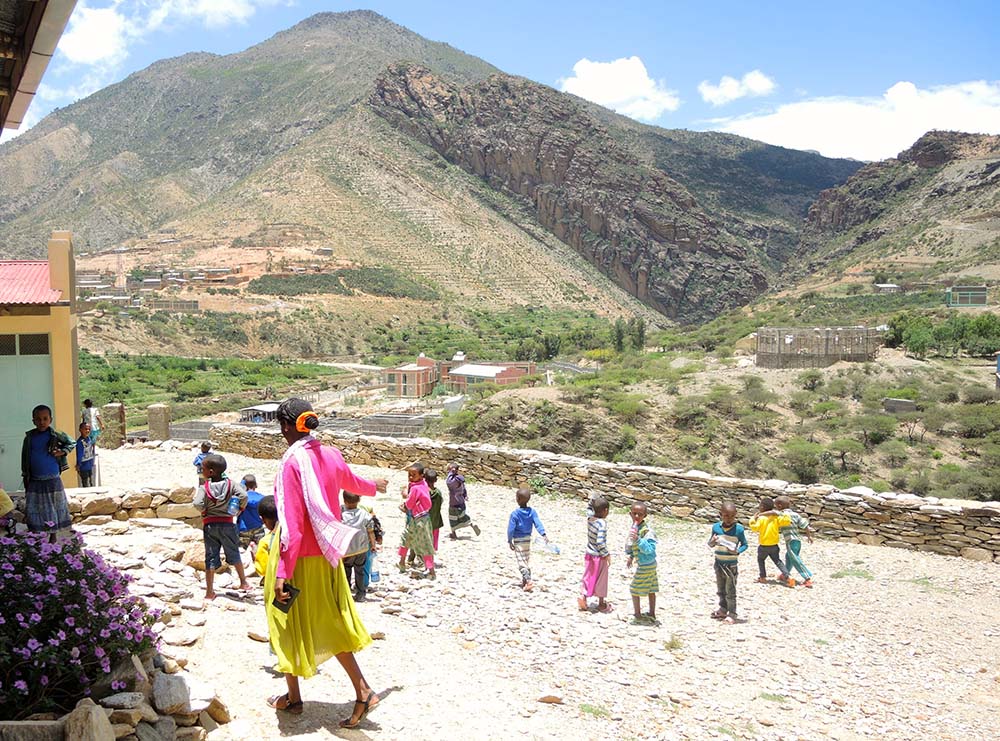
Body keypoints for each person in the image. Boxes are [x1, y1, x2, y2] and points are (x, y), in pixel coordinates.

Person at [265, 398, 388, 728]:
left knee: (283, 619)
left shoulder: (292, 462)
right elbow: (353, 483)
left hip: (297, 558)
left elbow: (291, 521)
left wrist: (281, 572)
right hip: (327, 553)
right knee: (329, 621)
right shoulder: (330, 454)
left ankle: (300, 697)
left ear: (287, 426)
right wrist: (376, 487)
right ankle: (354, 691)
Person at [192, 454, 251, 599]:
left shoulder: (204, 488)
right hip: (228, 524)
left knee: (211, 557)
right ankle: (243, 582)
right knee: (233, 552)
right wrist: (239, 509)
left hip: (210, 525)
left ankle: (210, 591)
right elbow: (243, 496)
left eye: (203, 468)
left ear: (210, 472)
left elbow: (197, 503)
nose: (201, 470)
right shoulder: (232, 485)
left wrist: (205, 510)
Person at [21, 404, 74, 538]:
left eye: (45, 418)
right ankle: (36, 534)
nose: (42, 422)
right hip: (35, 478)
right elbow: (24, 457)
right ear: (33, 420)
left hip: (52, 478)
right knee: (35, 507)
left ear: (51, 419)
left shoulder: (55, 434)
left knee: (54, 507)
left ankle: (53, 536)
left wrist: (62, 452)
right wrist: (25, 473)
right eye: (38, 419)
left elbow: (72, 442)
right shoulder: (29, 438)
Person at [709, 502, 748, 624]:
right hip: (719, 563)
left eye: (731, 516)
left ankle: (732, 613)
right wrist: (713, 541)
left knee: (730, 590)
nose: (728, 519)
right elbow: (710, 544)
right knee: (720, 589)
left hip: (731, 565)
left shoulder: (739, 530)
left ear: (735, 515)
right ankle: (722, 608)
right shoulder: (716, 527)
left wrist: (737, 551)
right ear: (720, 515)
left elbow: (745, 545)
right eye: (726, 516)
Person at [397, 463, 436, 579]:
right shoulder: (423, 484)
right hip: (422, 518)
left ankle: (430, 570)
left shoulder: (415, 488)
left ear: (421, 475)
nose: (410, 477)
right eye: (409, 475)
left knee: (412, 540)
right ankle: (403, 563)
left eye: (413, 475)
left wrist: (405, 495)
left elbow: (409, 504)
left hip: (418, 520)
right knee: (415, 540)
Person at [506, 487, 548, 592]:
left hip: (518, 540)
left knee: (521, 562)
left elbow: (511, 529)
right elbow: (538, 523)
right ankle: (524, 581)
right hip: (527, 540)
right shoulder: (532, 512)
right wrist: (543, 533)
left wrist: (509, 540)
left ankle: (529, 581)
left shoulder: (515, 514)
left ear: (517, 500)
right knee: (526, 560)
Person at [625, 503, 658, 624]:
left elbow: (650, 549)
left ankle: (637, 614)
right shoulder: (636, 528)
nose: (637, 516)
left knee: (634, 589)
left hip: (646, 564)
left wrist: (638, 540)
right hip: (648, 563)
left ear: (645, 515)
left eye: (640, 514)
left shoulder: (647, 531)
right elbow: (634, 545)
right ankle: (652, 612)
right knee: (651, 588)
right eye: (634, 513)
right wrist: (631, 556)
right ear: (630, 514)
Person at [341, 492, 377, 601]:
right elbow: (370, 531)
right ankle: (361, 594)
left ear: (344, 501)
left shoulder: (341, 514)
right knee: (359, 571)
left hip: (347, 550)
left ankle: (346, 594)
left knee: (346, 571)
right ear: (359, 501)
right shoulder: (365, 514)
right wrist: (373, 545)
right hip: (361, 549)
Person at [749, 497, 793, 586]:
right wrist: (778, 513)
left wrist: (753, 519)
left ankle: (763, 577)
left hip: (764, 545)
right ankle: (788, 577)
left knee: (761, 560)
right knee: (777, 561)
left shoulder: (761, 519)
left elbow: (754, 528)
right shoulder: (776, 518)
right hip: (774, 545)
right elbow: (788, 520)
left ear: (762, 507)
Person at [579, 496, 612, 613]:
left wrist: (591, 500)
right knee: (601, 579)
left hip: (589, 554)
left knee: (588, 576)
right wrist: (606, 554)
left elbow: (588, 509)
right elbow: (600, 541)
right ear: (606, 511)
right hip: (599, 556)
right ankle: (601, 603)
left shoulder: (590, 519)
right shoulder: (602, 524)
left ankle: (583, 596)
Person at [775, 495, 815, 588]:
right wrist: (809, 537)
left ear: (779, 506)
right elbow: (805, 525)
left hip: (790, 540)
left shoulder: (781, 514)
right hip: (797, 540)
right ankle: (785, 574)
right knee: (789, 557)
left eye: (776, 506)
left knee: (796, 560)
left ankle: (807, 578)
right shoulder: (795, 514)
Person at [446, 463, 480, 539]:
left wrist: (451, 472)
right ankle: (471, 524)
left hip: (453, 503)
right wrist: (465, 496)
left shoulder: (453, 481)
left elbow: (448, 482)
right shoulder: (460, 479)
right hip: (461, 502)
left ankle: (453, 533)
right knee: (463, 516)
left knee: (452, 518)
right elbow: (464, 489)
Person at [238, 474, 266, 550]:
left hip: (244, 528)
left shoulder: (242, 498)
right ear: (255, 485)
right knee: (261, 550)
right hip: (258, 527)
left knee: (241, 551)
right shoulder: (262, 498)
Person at [254, 495, 279, 579]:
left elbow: (262, 570)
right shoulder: (291, 537)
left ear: (262, 519)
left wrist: (255, 557)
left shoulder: (265, 542)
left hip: (273, 584)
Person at [425, 468, 444, 555]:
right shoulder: (438, 493)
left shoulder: (424, 492)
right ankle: (430, 555)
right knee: (433, 539)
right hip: (435, 521)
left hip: (424, 521)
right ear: (436, 480)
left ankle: (422, 557)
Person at [75, 422, 97, 487]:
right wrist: (78, 464)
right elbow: (80, 454)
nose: (87, 431)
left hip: (89, 464)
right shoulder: (80, 442)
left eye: (89, 429)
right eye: (85, 429)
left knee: (91, 482)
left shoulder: (89, 439)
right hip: (83, 466)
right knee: (85, 483)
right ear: (80, 430)